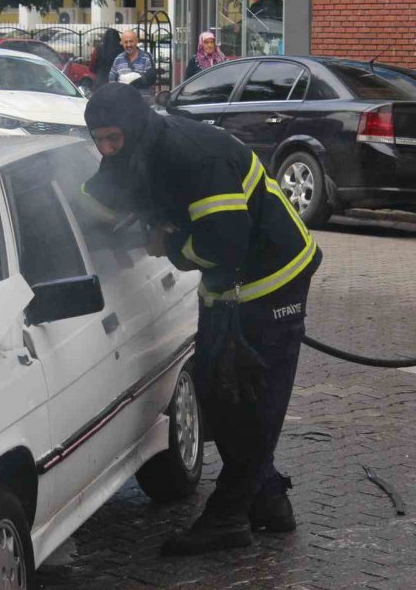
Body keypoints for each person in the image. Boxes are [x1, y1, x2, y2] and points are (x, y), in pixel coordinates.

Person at [82, 82, 321, 555]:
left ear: (133, 128)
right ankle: (269, 501)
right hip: (226, 287)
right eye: (99, 140)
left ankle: (229, 518)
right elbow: (97, 202)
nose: (106, 149)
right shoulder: (136, 151)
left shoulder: (193, 157)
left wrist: (166, 246)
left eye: (113, 139)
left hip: (274, 278)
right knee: (217, 389)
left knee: (250, 398)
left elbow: (222, 245)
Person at [108, 30, 157, 100]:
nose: (128, 45)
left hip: (142, 104)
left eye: (131, 41)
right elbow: (111, 80)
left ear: (137, 41)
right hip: (123, 104)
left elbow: (151, 80)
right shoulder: (118, 59)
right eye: (125, 42)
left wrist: (136, 81)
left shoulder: (146, 58)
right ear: (121, 43)